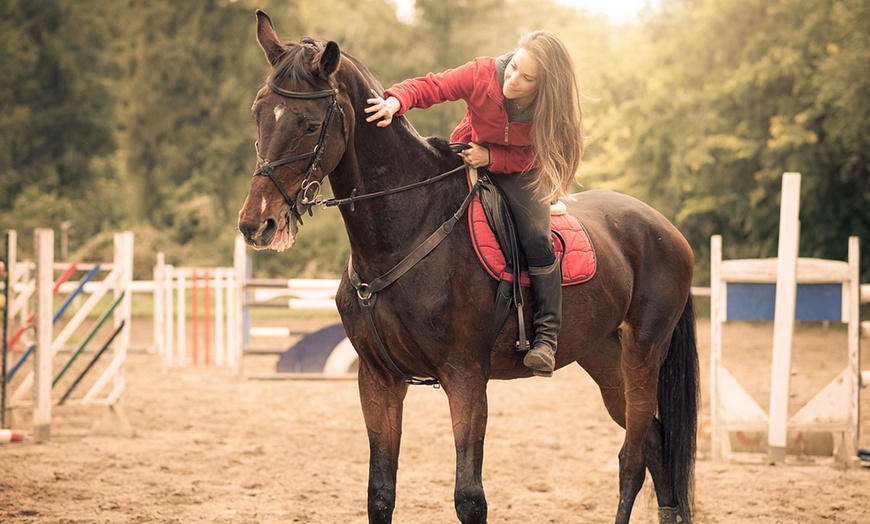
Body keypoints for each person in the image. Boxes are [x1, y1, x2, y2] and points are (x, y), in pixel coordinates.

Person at [365, 31, 583, 377]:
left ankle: (545, 338)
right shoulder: (482, 73)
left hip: (519, 170)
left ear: (545, 86)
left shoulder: (550, 110)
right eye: (513, 68)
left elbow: (539, 155)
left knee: (537, 239)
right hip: (465, 154)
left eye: (527, 79)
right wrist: (395, 101)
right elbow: (432, 86)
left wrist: (493, 157)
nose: (513, 80)